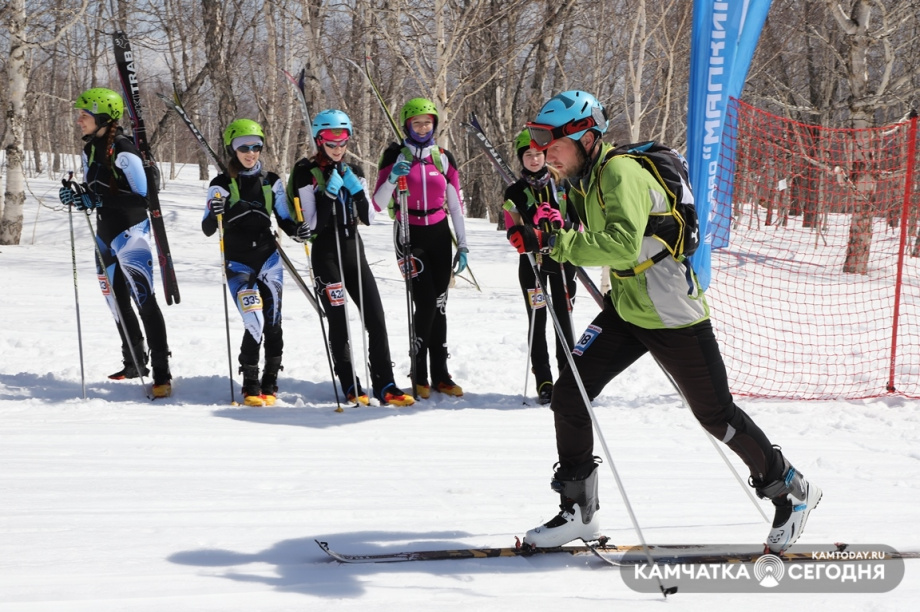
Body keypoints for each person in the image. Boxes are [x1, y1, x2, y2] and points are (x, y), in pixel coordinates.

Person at [509, 90, 822, 553]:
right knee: (571, 393)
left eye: (553, 141)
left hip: (672, 312)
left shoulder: (619, 172)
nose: (544, 151)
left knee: (716, 415)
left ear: (587, 138)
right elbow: (587, 234)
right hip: (628, 306)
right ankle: (579, 511)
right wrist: (542, 230)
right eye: (539, 140)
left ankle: (791, 490)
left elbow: (618, 243)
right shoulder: (581, 181)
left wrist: (558, 244)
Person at [287, 109, 415, 407]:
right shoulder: (306, 172)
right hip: (325, 253)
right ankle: (349, 383)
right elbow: (311, 225)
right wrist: (327, 195)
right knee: (339, 322)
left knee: (376, 319)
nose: (338, 149)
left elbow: (369, 216)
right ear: (319, 141)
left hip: (353, 248)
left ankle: (385, 383)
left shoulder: (353, 170)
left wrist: (387, 182)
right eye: (331, 143)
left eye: (343, 142)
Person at [60, 88, 172, 398]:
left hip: (131, 233)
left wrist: (95, 198)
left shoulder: (124, 150)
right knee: (116, 302)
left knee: (144, 301)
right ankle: (134, 363)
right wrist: (77, 195)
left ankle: (162, 373)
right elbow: (96, 189)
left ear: (103, 118)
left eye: (84, 115)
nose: (78, 120)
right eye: (79, 115)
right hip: (104, 236)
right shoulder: (90, 150)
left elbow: (143, 196)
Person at [372, 98, 469, 399]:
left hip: (439, 232)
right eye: (417, 123)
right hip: (408, 233)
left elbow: (455, 205)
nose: (423, 128)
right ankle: (418, 370)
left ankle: (440, 374)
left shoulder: (444, 158)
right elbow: (376, 202)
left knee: (439, 305)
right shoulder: (394, 153)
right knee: (425, 303)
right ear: (407, 126)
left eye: (428, 122)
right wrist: (392, 176)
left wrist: (463, 245)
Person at [202, 119, 298, 406]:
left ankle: (270, 379)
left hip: (268, 259)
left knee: (273, 321)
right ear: (233, 149)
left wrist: (300, 232)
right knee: (253, 320)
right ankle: (250, 382)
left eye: (256, 146)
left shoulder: (271, 181)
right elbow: (208, 227)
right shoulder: (221, 184)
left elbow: (285, 219)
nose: (251, 152)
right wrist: (216, 210)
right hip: (238, 263)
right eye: (244, 147)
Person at [503, 128, 578, 405]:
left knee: (563, 319)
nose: (534, 160)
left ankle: (568, 376)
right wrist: (525, 230)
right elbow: (511, 229)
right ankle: (544, 380)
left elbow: (580, 225)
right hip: (532, 263)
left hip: (562, 259)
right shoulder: (515, 191)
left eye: (538, 154)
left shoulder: (563, 184)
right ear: (521, 159)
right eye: (528, 155)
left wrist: (562, 222)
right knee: (538, 320)